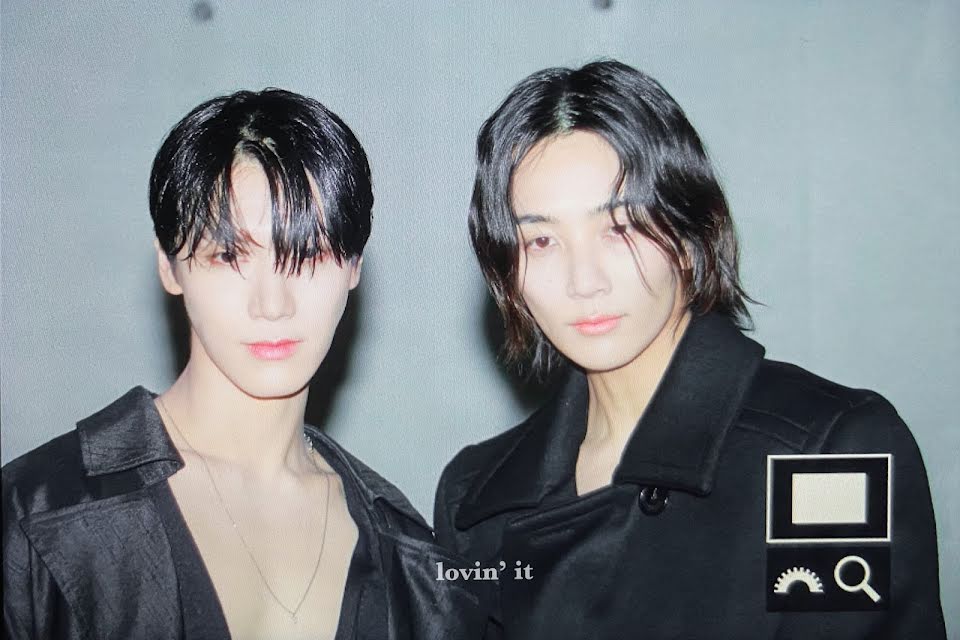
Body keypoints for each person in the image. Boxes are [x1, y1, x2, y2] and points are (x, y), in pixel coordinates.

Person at [434, 60, 946, 639]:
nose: (584, 281)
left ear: (688, 231)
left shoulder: (825, 454)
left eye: (620, 228)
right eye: (542, 240)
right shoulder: (475, 495)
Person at [3, 89, 486, 640]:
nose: (272, 304)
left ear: (354, 266)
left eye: (308, 254)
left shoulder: (414, 563)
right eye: (230, 255)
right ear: (169, 266)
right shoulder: (35, 514)